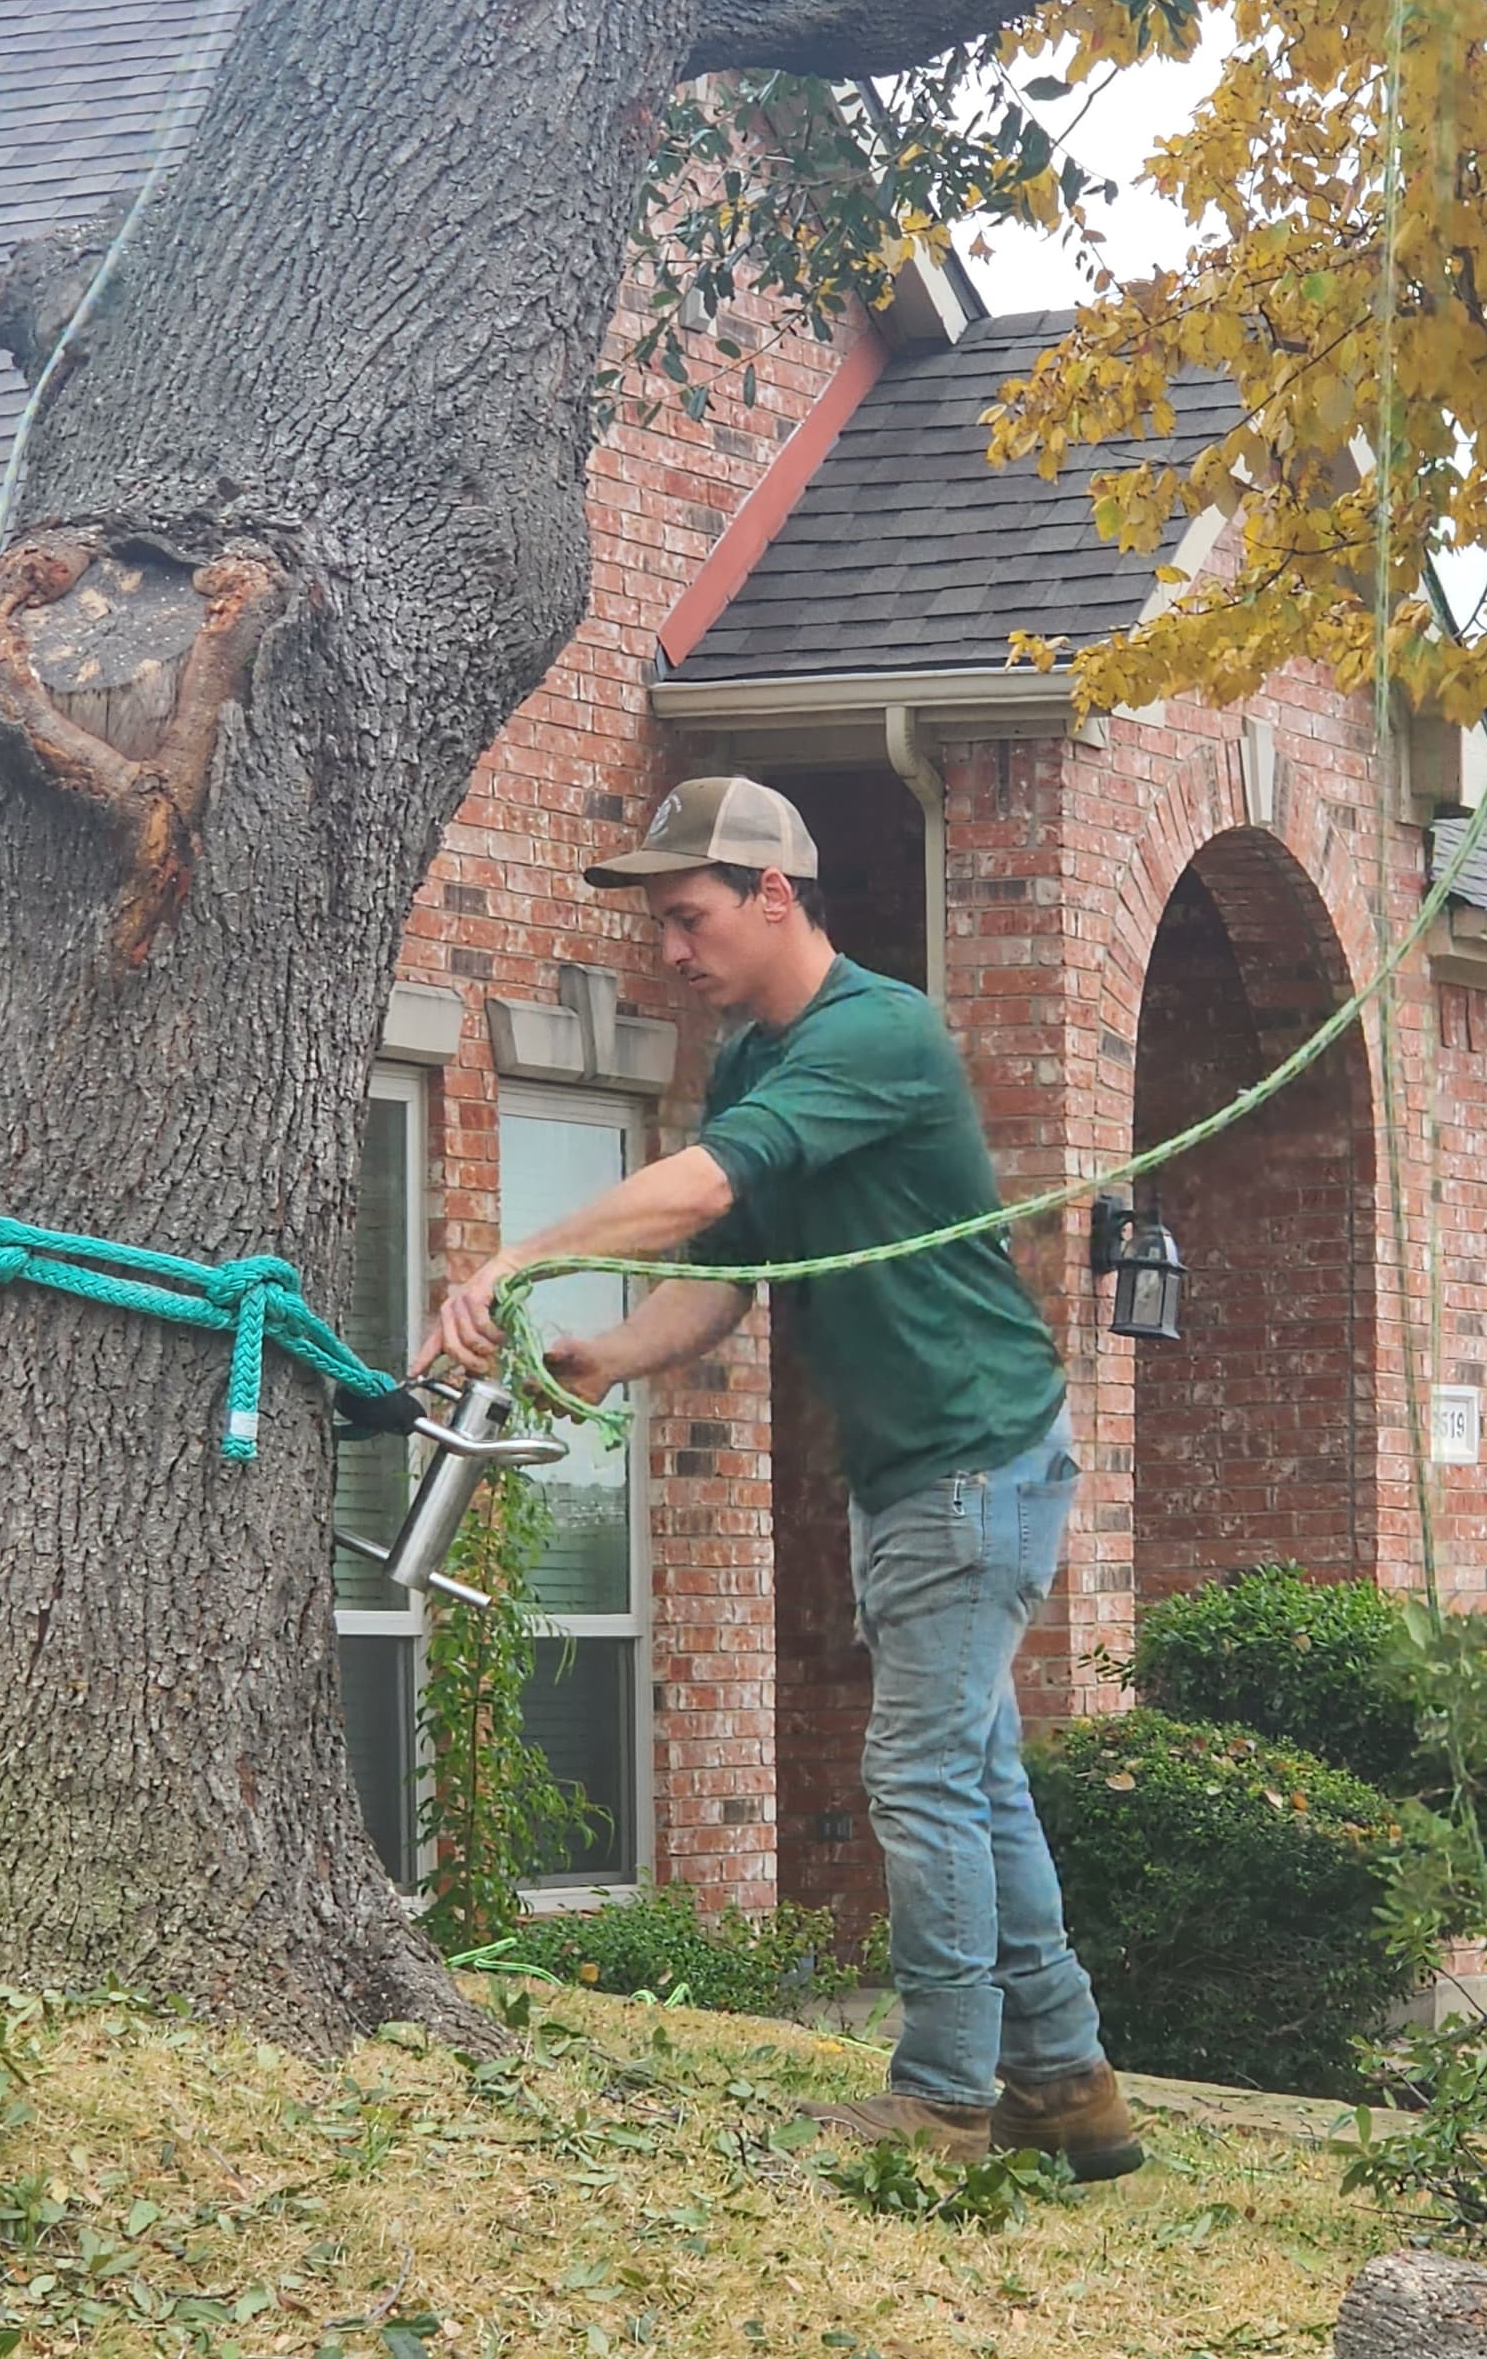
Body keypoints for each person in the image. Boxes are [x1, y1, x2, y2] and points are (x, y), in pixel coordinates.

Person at [417, 776, 1140, 2177]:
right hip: (917, 1466)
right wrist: (607, 1358)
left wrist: (510, 1258)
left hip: (974, 1459)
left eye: (688, 921)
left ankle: (943, 2101)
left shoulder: (880, 1034)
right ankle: (1065, 2084)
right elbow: (722, 1278)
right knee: (977, 1776)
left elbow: (697, 1191)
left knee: (922, 1775)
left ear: (774, 895)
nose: (672, 955)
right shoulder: (755, 1059)